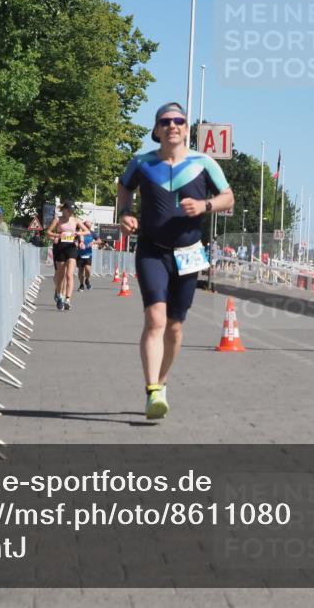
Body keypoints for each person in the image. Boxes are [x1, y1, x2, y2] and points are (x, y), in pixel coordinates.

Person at [118, 102, 234, 420]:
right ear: (156, 130)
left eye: (179, 120)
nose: (172, 125)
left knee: (175, 326)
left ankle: (163, 380)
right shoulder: (141, 163)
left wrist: (205, 205)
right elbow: (124, 188)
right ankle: (152, 390)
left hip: (189, 252)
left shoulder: (204, 163)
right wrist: (125, 214)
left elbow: (228, 197)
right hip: (152, 250)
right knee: (155, 319)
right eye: (165, 121)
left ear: (186, 128)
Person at [45, 200, 89, 311]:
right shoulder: (57, 219)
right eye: (69, 210)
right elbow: (48, 232)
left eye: (72, 211)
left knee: (69, 275)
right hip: (60, 248)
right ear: (64, 210)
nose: (70, 212)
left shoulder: (75, 220)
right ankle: (59, 295)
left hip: (71, 248)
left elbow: (87, 231)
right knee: (61, 276)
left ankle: (68, 299)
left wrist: (78, 233)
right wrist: (58, 235)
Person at [77, 220, 95, 291]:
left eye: (89, 226)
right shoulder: (79, 233)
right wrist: (76, 243)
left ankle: (87, 280)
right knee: (80, 271)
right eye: (87, 226)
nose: (88, 228)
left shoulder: (92, 233)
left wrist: (93, 242)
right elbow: (74, 239)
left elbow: (100, 240)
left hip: (88, 254)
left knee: (88, 270)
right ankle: (81, 285)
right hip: (79, 254)